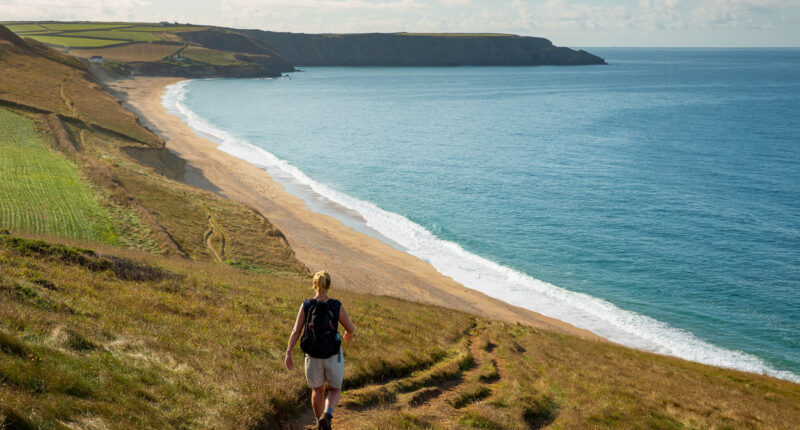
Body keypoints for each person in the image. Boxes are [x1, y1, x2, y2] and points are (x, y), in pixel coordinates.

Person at [286, 270, 355, 430]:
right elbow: (350, 328)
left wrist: (289, 352)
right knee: (335, 389)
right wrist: (347, 334)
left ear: (314, 285)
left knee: (317, 390)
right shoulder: (336, 305)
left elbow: (296, 331)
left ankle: (320, 423)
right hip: (333, 355)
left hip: (312, 355)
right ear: (329, 285)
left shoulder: (307, 305)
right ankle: (328, 414)